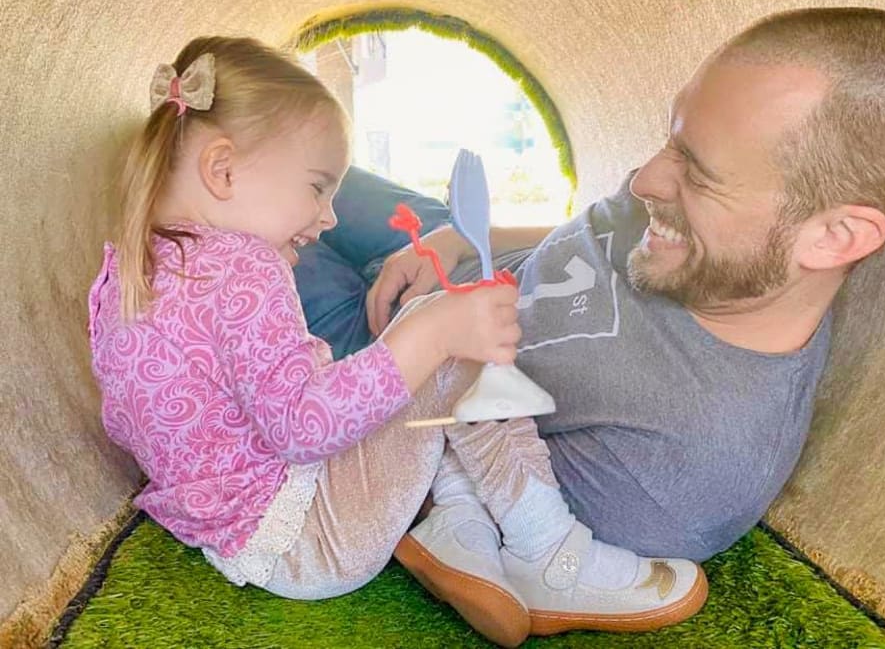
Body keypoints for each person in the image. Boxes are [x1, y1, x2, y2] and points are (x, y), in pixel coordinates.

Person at [294, 7, 885, 629]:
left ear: (834, 238)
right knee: (279, 135)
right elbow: (592, 224)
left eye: (698, 174)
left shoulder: (679, 469)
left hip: (379, 361)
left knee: (231, 213)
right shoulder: (698, 227)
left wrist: (414, 338)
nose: (645, 179)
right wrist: (465, 240)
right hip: (442, 250)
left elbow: (443, 474)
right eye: (671, 140)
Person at [87, 36, 707, 649]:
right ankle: (551, 552)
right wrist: (433, 330)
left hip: (235, 536)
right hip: (311, 535)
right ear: (222, 170)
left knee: (413, 361)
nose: (329, 216)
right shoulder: (244, 266)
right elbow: (302, 428)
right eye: (317, 187)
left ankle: (460, 532)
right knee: (453, 342)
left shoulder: (129, 269)